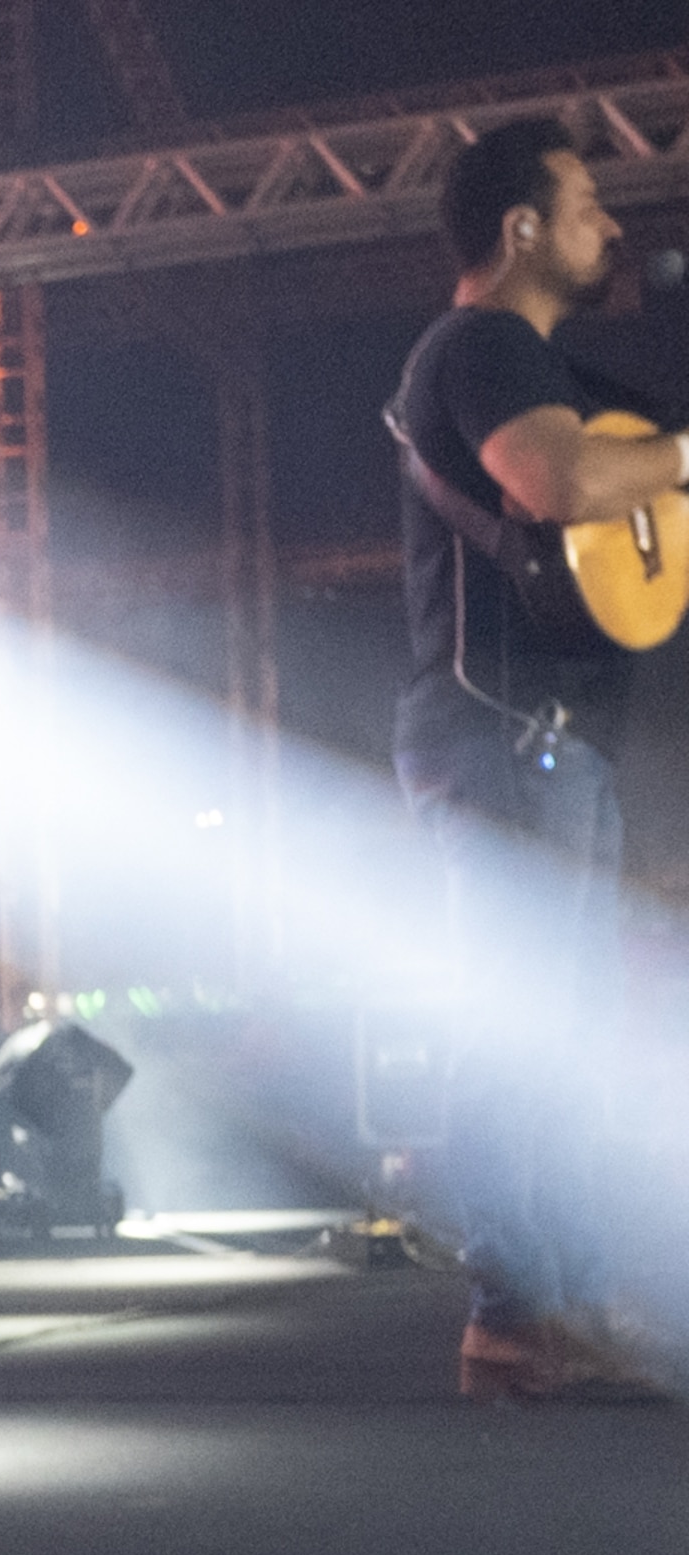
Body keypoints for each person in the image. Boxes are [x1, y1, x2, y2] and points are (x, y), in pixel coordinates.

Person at [390, 118, 689, 1400]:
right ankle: (514, 1304)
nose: (612, 227)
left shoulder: (535, 357)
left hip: (546, 745)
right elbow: (561, 484)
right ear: (520, 228)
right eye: (586, 205)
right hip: (502, 739)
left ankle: (554, 1296)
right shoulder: (482, 345)